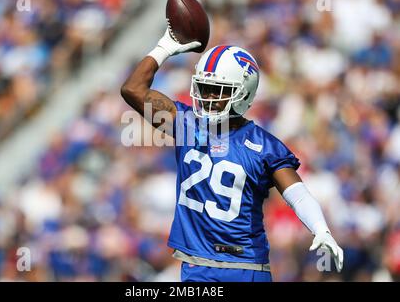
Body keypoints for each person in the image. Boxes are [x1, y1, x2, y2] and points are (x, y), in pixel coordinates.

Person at [120, 28, 344, 282]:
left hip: (246, 267)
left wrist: (320, 229)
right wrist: (164, 48)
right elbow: (133, 89)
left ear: (243, 93)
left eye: (218, 90)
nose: (208, 97)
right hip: (197, 266)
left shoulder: (263, 145)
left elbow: (298, 195)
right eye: (204, 88)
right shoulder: (186, 124)